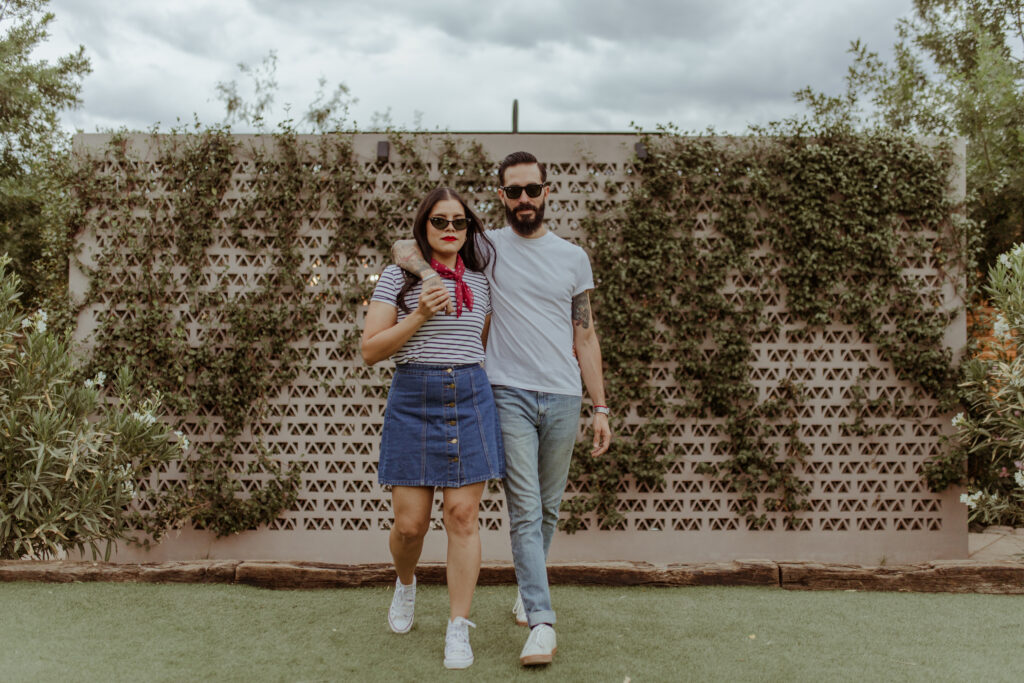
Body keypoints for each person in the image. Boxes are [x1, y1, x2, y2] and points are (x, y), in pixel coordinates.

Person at [393, 151, 612, 667]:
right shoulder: (484, 246)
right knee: (526, 509)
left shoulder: (573, 257)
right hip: (506, 392)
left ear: (546, 191)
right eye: (514, 192)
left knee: (548, 509)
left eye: (532, 189)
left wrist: (600, 405)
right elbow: (405, 244)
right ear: (502, 196)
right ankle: (541, 621)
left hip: (563, 396)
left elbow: (585, 335)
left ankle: (527, 587)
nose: (524, 199)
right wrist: (427, 275)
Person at [361, 186, 505, 670]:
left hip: (469, 394)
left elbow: (479, 340)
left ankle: (457, 626)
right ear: (424, 225)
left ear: (468, 230)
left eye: (458, 222)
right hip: (413, 396)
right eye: (439, 221)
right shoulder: (397, 279)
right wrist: (421, 313)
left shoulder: (481, 281)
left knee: (462, 515)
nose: (449, 229)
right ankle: (405, 583)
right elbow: (370, 349)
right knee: (410, 526)